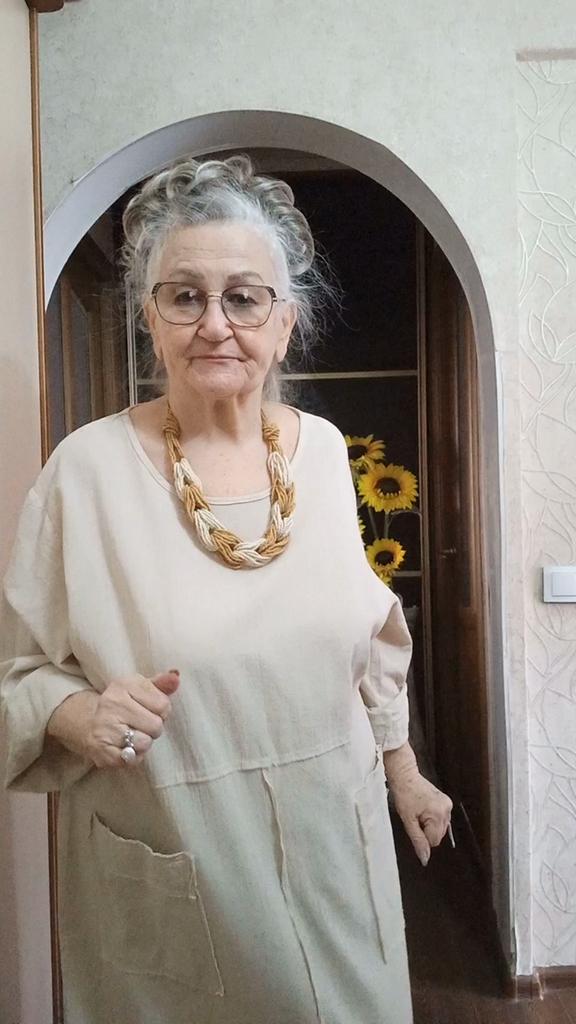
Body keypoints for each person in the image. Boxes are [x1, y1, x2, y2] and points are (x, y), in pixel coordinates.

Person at [0, 155, 452, 1024]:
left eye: (244, 298)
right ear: (150, 317)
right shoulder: (85, 473)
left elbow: (364, 638)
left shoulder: (322, 452)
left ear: (286, 324)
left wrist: (404, 772)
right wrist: (73, 712)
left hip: (335, 848)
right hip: (182, 852)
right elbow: (16, 673)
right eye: (185, 297)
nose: (215, 324)